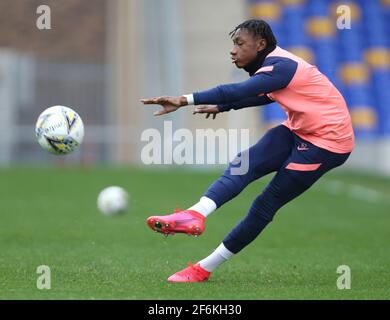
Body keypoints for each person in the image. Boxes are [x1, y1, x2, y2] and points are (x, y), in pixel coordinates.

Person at [141, 19, 354, 282]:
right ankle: (194, 215)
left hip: (327, 144)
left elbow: (238, 89)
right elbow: (262, 94)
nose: (233, 50)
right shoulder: (274, 67)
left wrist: (184, 99)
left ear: (261, 44)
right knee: (244, 163)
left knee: (265, 203)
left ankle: (203, 268)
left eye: (240, 44)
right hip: (300, 129)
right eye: (233, 44)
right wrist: (224, 107)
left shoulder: (282, 65)